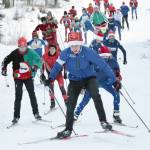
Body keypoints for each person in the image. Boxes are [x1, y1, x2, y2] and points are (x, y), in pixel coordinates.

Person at [45, 32, 113, 139]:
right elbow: (57, 66)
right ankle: (68, 129)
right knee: (70, 103)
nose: (74, 48)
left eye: (76, 45)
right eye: (72, 45)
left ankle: (103, 121)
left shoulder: (88, 52)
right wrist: (50, 79)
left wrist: (113, 78)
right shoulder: (65, 53)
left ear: (80, 44)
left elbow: (102, 64)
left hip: (89, 78)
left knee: (96, 95)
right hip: (74, 80)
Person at [74, 46, 122, 124]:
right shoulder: (94, 62)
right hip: (94, 82)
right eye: (103, 56)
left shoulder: (113, 62)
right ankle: (75, 115)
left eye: (107, 55)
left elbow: (117, 73)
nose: (105, 58)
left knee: (116, 94)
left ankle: (116, 115)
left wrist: (117, 82)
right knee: (86, 99)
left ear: (109, 55)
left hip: (106, 82)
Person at [1, 37, 42, 124]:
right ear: (18, 46)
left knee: (32, 94)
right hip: (18, 77)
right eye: (20, 47)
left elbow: (39, 60)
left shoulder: (31, 52)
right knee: (18, 96)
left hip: (28, 76)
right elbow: (6, 60)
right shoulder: (15, 53)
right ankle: (16, 117)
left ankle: (36, 113)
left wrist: (35, 66)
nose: (22, 49)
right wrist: (4, 68)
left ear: (26, 46)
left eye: (24, 47)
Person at [41, 44, 68, 109]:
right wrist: (42, 74)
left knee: (62, 87)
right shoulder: (45, 56)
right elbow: (42, 64)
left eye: (53, 49)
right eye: (50, 49)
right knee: (51, 88)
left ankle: (66, 102)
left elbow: (65, 63)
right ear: (49, 49)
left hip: (59, 74)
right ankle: (52, 102)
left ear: (56, 49)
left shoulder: (59, 55)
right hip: (50, 75)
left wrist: (65, 72)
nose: (52, 50)